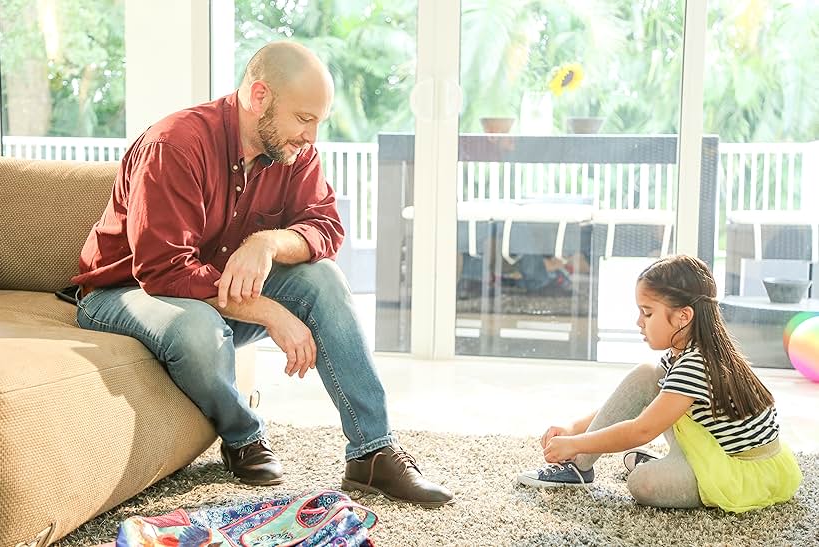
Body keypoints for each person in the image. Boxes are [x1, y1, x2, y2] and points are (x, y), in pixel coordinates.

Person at [71, 41, 453, 508]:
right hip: (122, 293)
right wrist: (272, 313)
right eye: (304, 118)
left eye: (319, 122)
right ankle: (243, 436)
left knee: (324, 279)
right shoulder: (176, 145)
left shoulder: (294, 152)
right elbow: (163, 270)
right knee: (197, 327)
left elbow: (325, 228)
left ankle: (372, 453)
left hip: (209, 288)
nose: (311, 136)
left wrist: (267, 242)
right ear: (258, 97)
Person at [517, 255, 802, 512]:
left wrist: (575, 442)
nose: (638, 321)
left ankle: (665, 468)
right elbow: (636, 406)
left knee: (643, 483)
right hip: (708, 446)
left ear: (683, 316)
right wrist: (573, 430)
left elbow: (641, 428)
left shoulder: (695, 364)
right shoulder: (683, 353)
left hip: (736, 471)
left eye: (648, 312)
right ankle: (580, 467)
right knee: (646, 375)